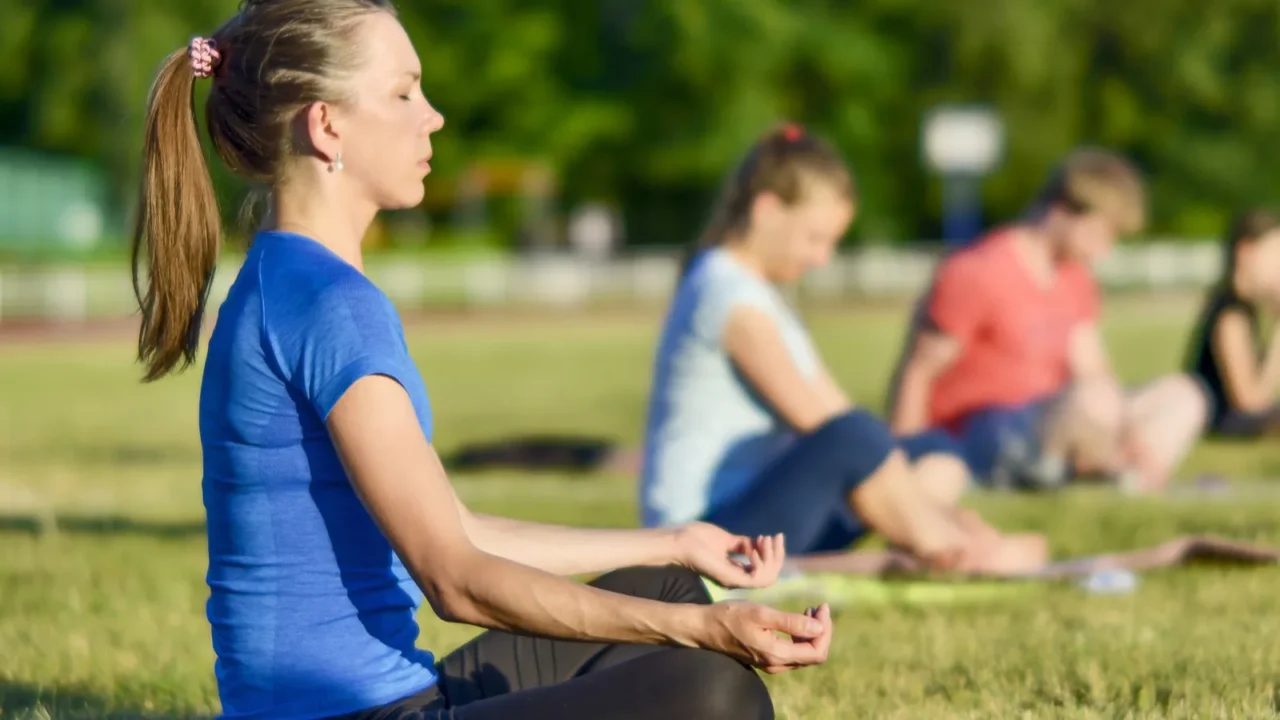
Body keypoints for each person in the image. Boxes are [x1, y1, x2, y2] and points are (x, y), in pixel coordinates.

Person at [129, 3, 834, 718]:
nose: (432, 117)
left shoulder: (282, 279)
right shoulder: (328, 304)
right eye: (404, 93)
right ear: (327, 125)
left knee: (666, 584)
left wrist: (678, 543)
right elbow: (455, 580)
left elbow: (454, 529)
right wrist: (704, 630)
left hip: (392, 695)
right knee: (715, 691)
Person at [639, 123, 1047, 577]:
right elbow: (823, 426)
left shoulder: (754, 292)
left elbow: (840, 413)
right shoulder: (726, 294)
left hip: (760, 519)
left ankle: (945, 544)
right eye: (815, 239)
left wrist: (956, 517)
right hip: (706, 537)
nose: (822, 259)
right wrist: (946, 523)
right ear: (768, 211)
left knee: (929, 448)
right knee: (855, 437)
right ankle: (956, 554)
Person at [888, 148, 1207, 493]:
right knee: (1095, 401)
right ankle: (1074, 471)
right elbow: (918, 370)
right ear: (1063, 209)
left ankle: (1125, 476)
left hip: (1056, 417)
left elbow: (1092, 368)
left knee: (1184, 395)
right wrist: (904, 458)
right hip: (984, 429)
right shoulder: (978, 271)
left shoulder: (1076, 277)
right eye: (1103, 233)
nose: (1104, 250)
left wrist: (1127, 434)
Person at [1184, 209, 1280, 438]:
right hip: (1223, 421)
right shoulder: (1230, 315)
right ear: (1246, 252)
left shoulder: (1244, 311)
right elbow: (1250, 403)